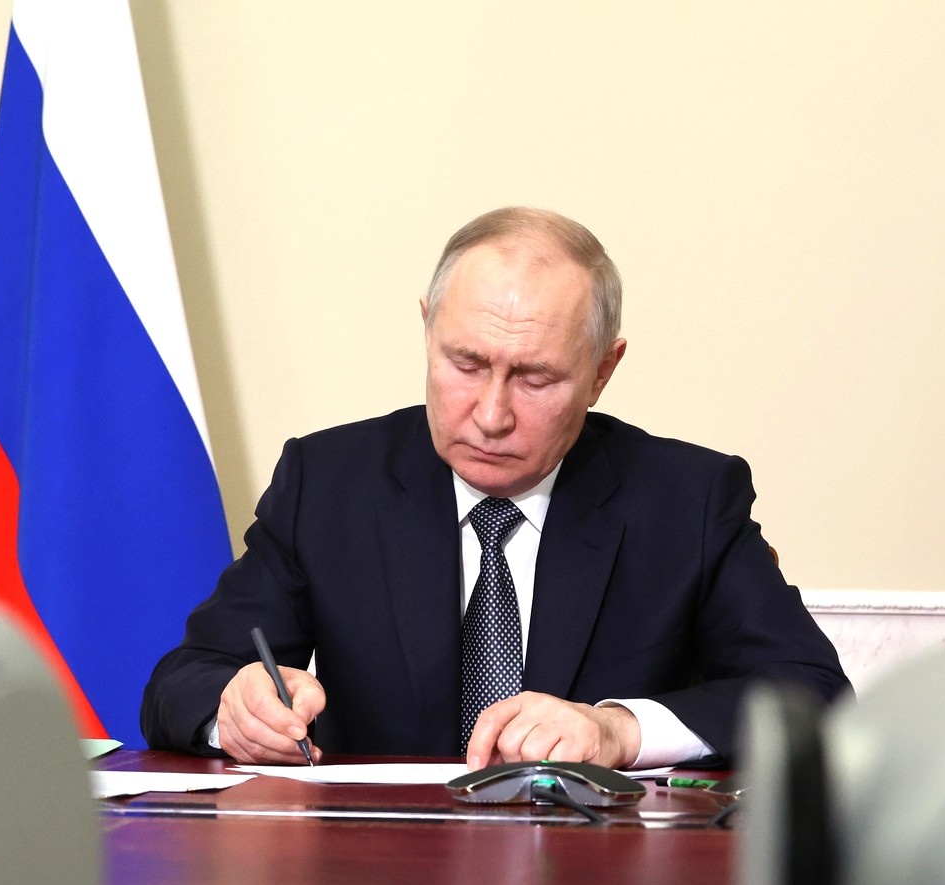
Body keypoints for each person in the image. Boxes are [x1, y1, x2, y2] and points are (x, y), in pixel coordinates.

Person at [141, 207, 847, 769]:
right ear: (427, 329)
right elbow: (184, 679)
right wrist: (233, 707)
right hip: (378, 876)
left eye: (535, 378)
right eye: (466, 364)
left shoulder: (686, 499)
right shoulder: (328, 483)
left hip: (599, 879)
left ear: (602, 372)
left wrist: (619, 730)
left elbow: (812, 694)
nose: (490, 414)